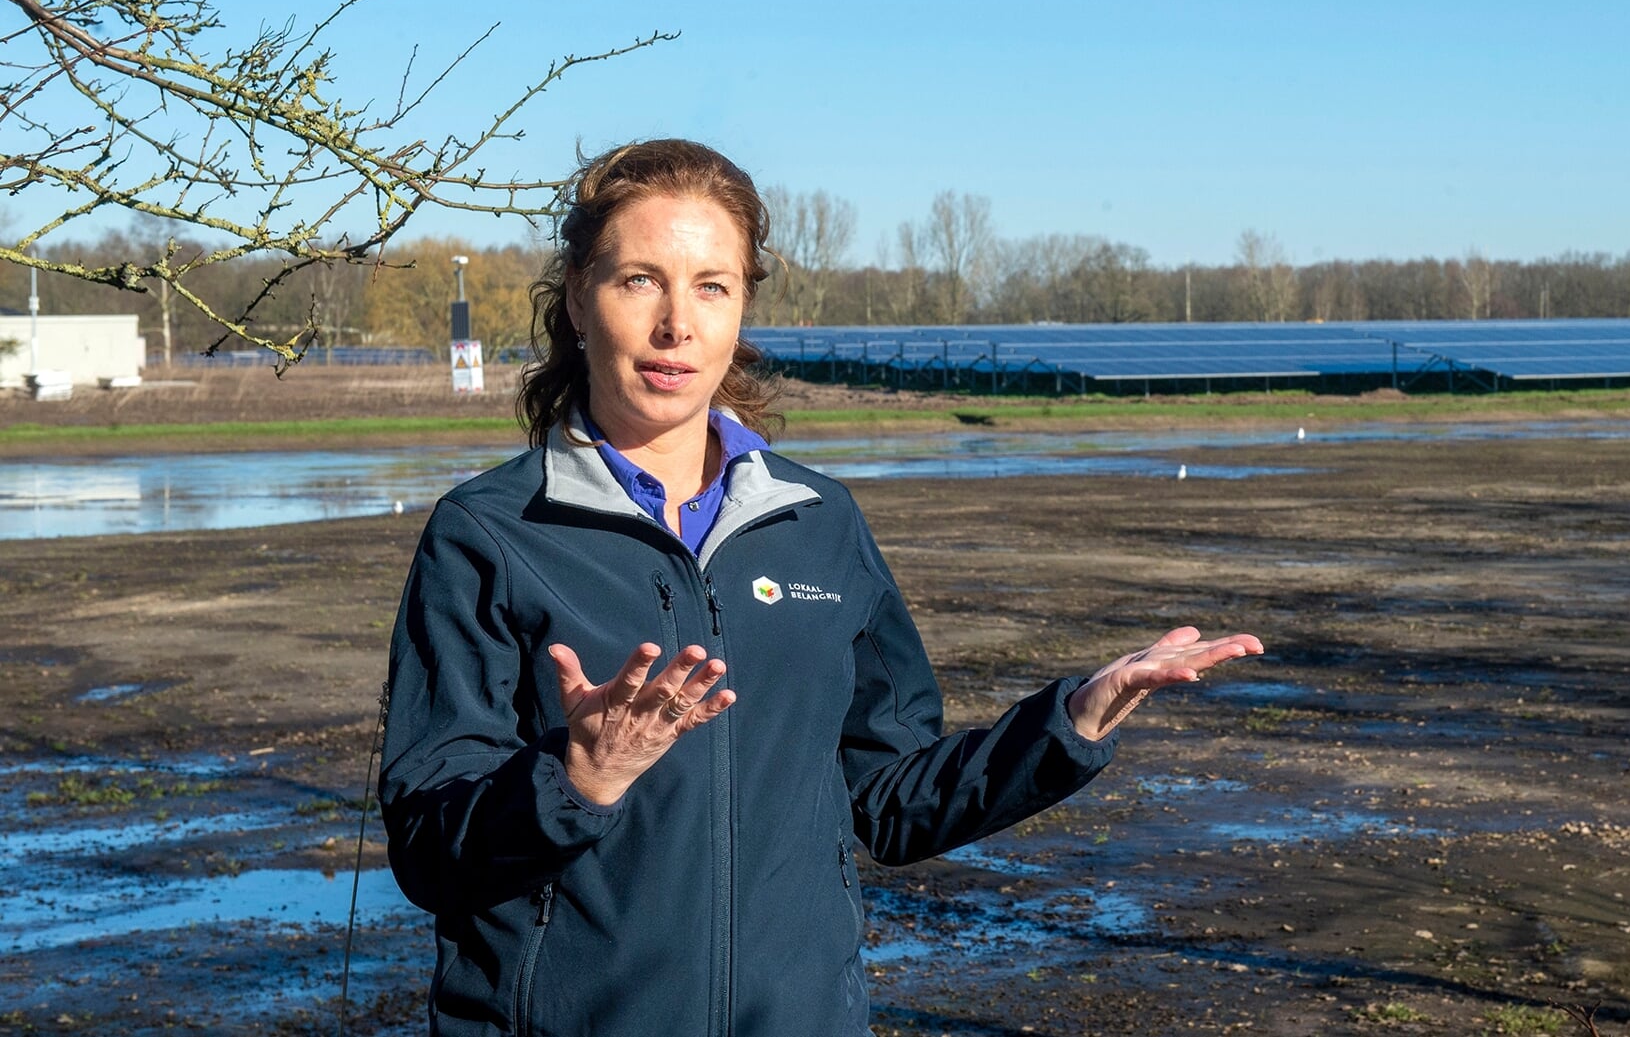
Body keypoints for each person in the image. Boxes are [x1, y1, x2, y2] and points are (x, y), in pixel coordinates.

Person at [379, 139, 1263, 1036]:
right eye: (640, 280)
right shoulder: (488, 533)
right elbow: (425, 842)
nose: (676, 324)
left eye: (711, 286)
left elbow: (886, 796)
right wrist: (579, 778)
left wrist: (1071, 720)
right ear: (576, 297)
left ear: (742, 307)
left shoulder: (819, 522)